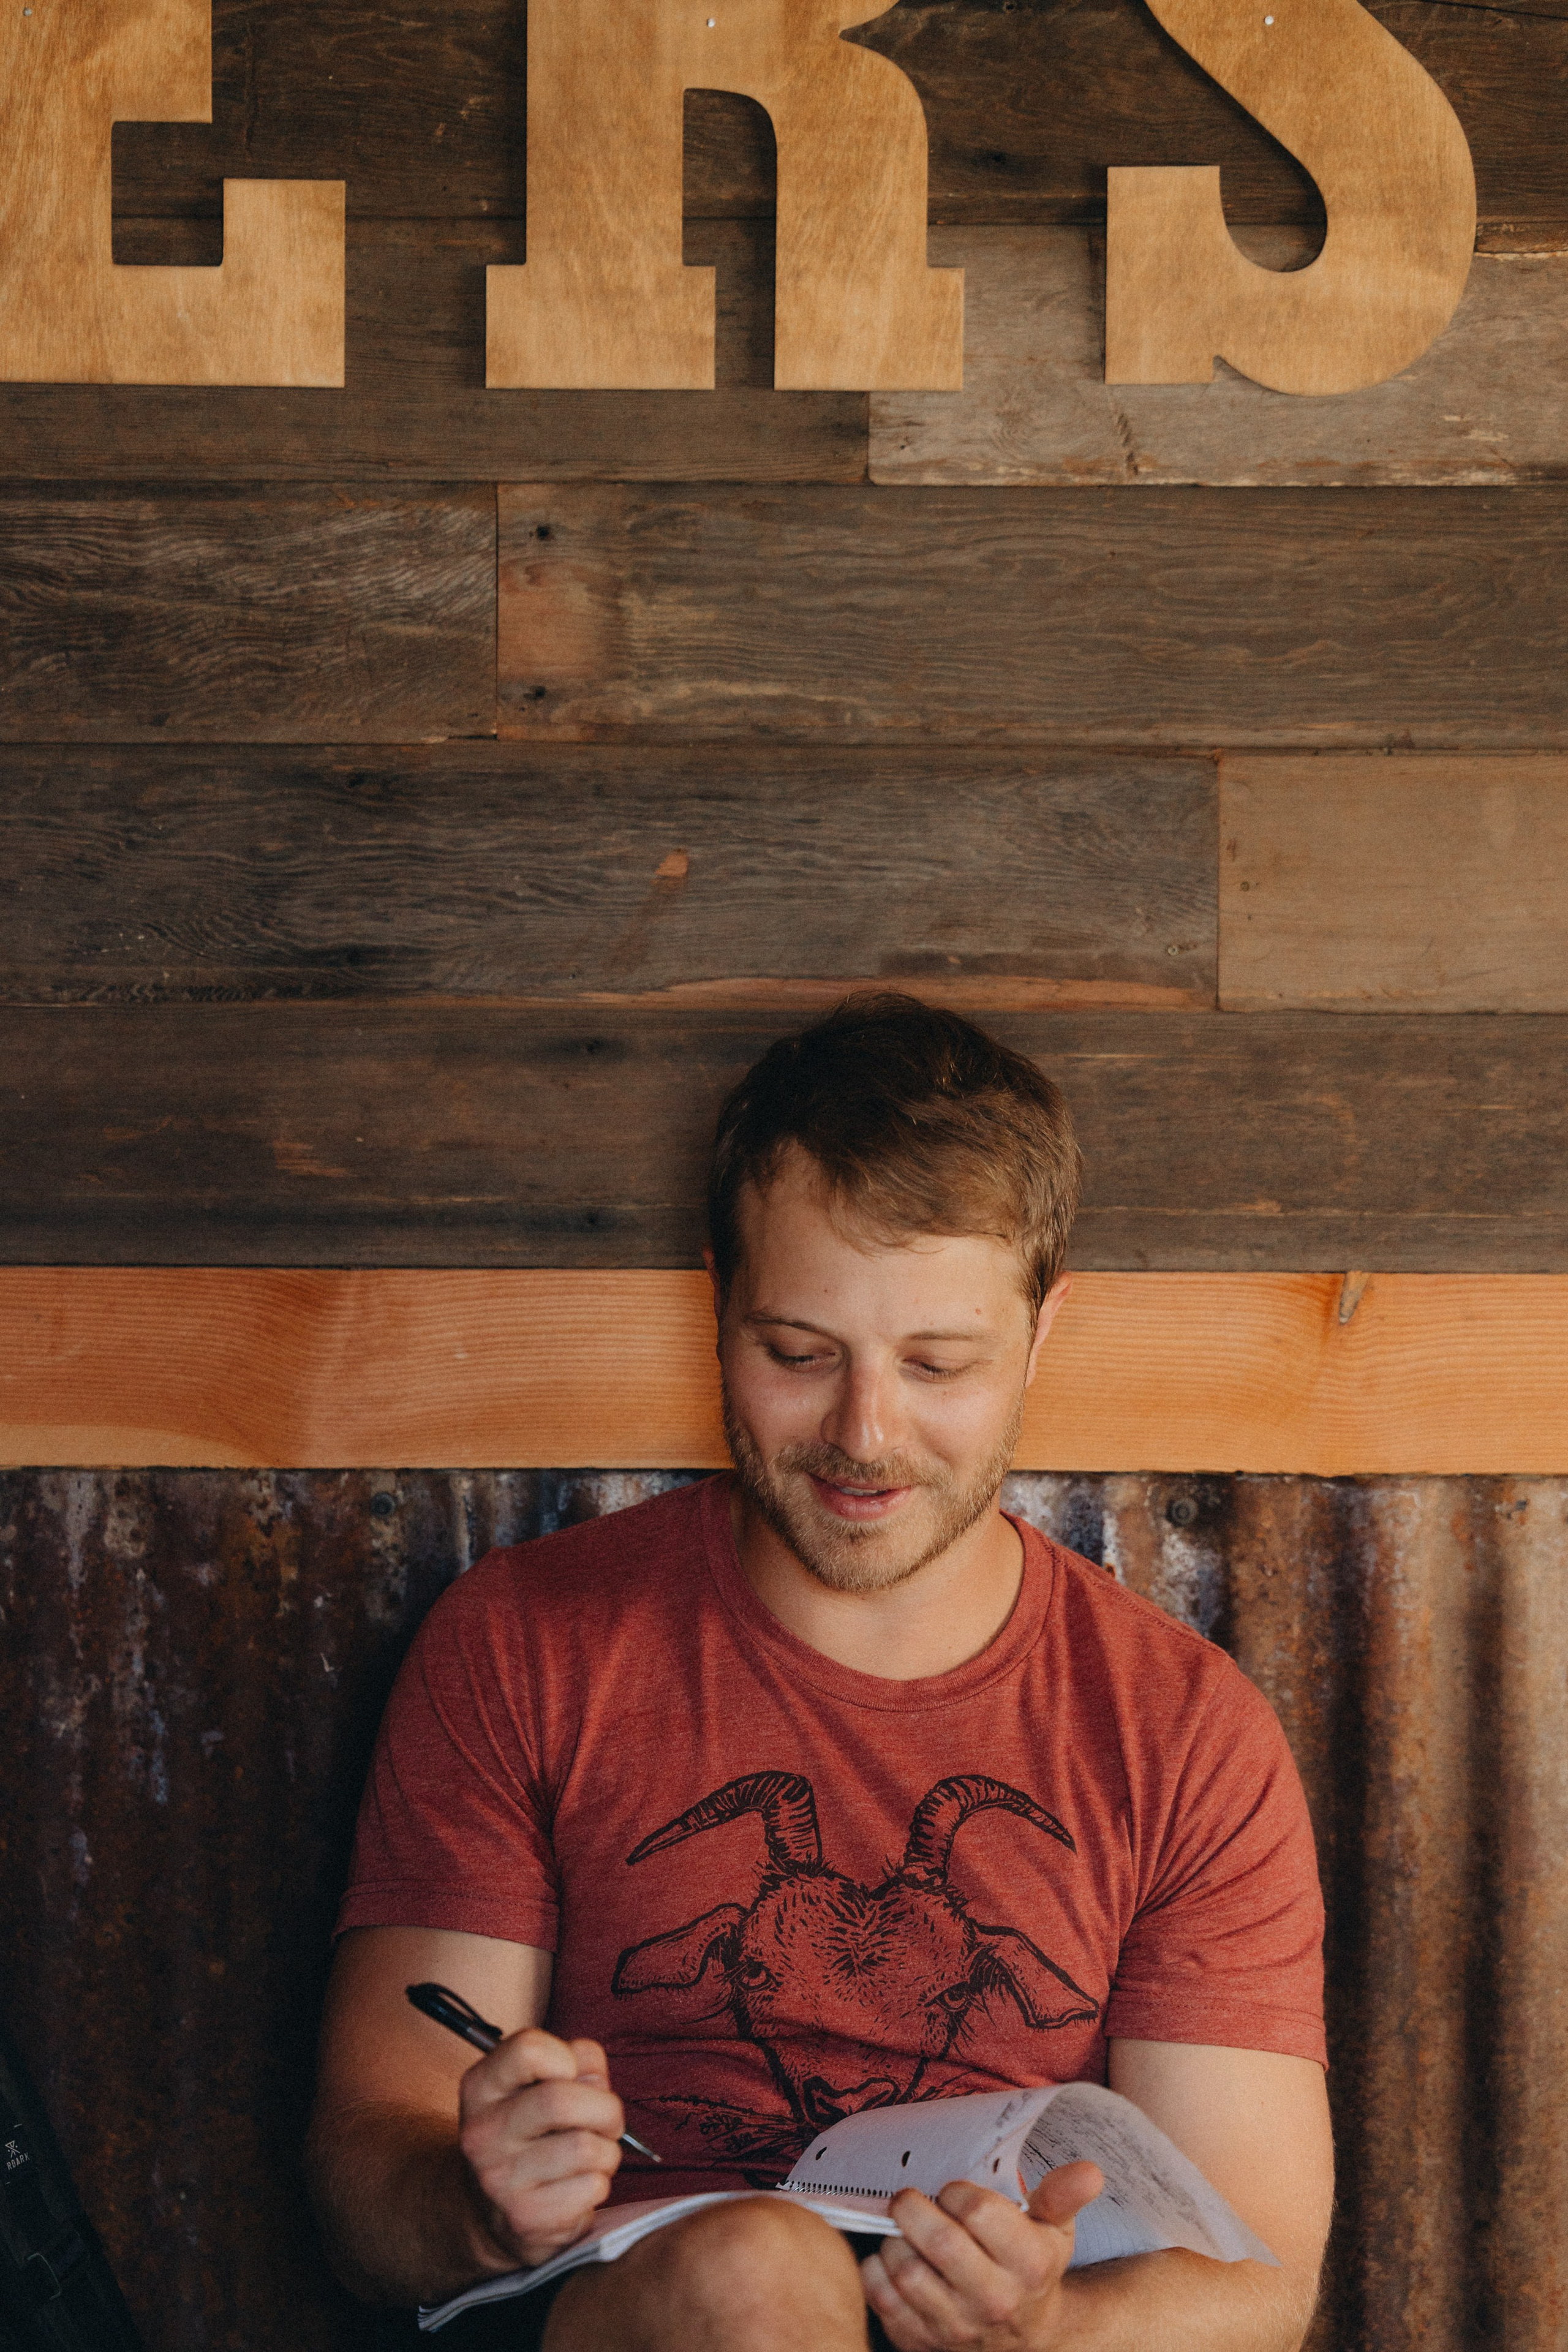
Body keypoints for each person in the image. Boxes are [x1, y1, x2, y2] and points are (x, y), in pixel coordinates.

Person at [307, 994, 1333, 2352]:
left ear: (1041, 1333)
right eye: (798, 1354)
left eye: (938, 1364)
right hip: (628, 2310)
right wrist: (479, 2203)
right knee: (756, 2272)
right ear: (717, 1307)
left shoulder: (1186, 1732)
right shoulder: (523, 1642)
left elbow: (1257, 2284)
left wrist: (1041, 2328)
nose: (866, 1433)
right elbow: (365, 2187)